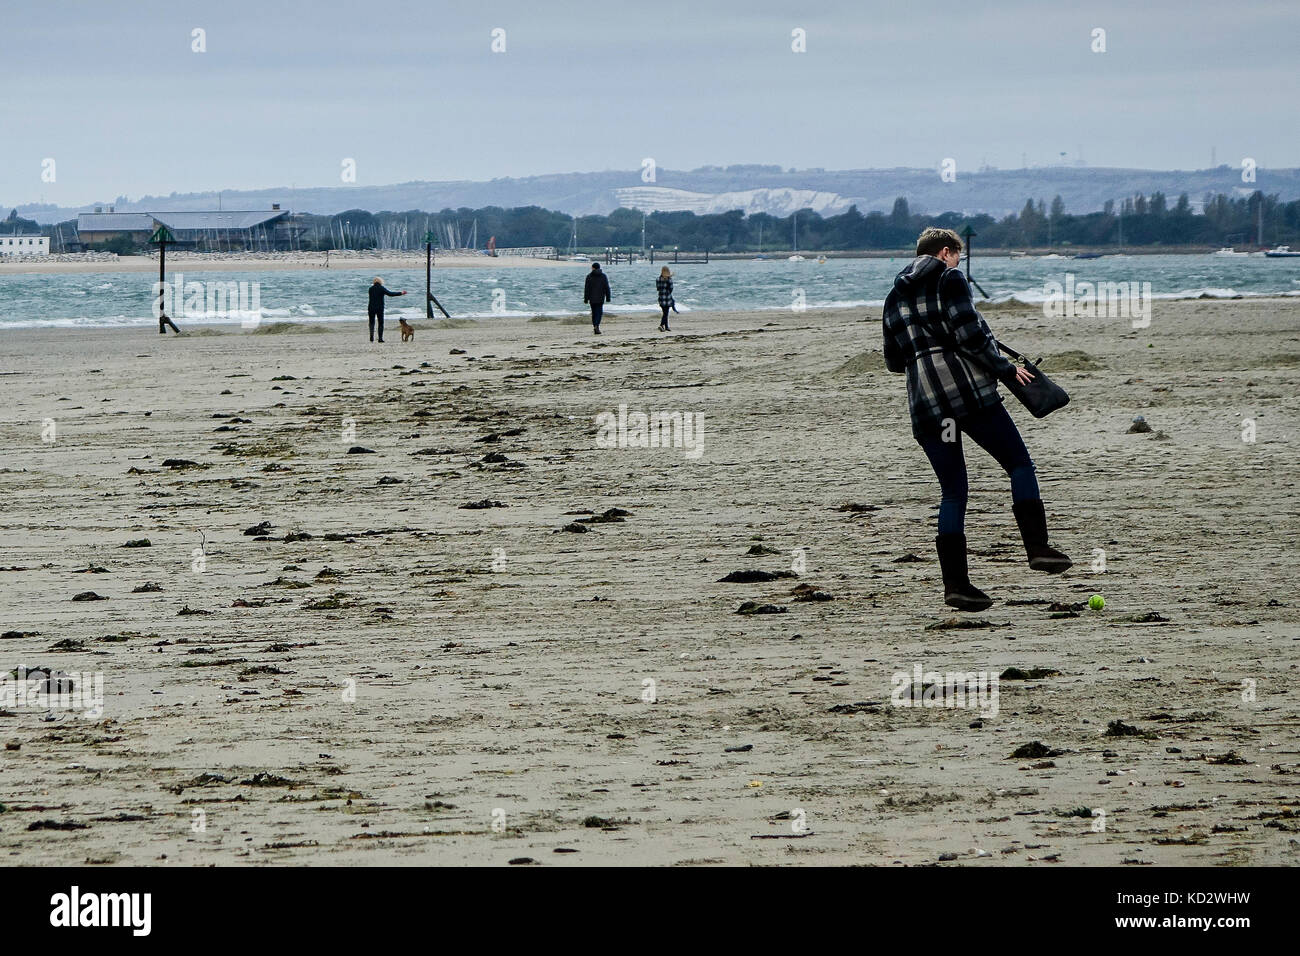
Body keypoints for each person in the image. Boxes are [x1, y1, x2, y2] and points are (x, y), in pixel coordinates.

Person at [882, 227, 1071, 611]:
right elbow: (970, 335)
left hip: (927, 404)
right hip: (969, 395)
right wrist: (1004, 369)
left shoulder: (893, 296)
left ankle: (957, 586)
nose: (958, 261)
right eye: (957, 255)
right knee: (1018, 463)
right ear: (947, 252)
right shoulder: (949, 278)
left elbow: (892, 361)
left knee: (953, 492)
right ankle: (1037, 548)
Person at [367, 277, 407, 342]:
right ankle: (380, 338)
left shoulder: (370, 289)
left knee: (371, 323)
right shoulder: (381, 288)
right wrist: (401, 293)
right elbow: (390, 294)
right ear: (380, 282)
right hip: (380, 308)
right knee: (380, 323)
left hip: (371, 307)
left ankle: (371, 337)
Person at [583, 262, 610, 334]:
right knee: (599, 312)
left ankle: (595, 325)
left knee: (594, 313)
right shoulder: (603, 276)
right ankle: (597, 326)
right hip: (601, 297)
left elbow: (586, 289)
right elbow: (607, 287)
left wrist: (586, 298)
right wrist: (608, 297)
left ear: (593, 268)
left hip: (592, 298)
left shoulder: (589, 276)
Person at [656, 267, 675, 331]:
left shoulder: (658, 279)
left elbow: (658, 289)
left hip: (661, 298)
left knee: (665, 313)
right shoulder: (669, 280)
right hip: (667, 298)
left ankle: (666, 326)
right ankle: (661, 325)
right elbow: (671, 289)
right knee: (666, 313)